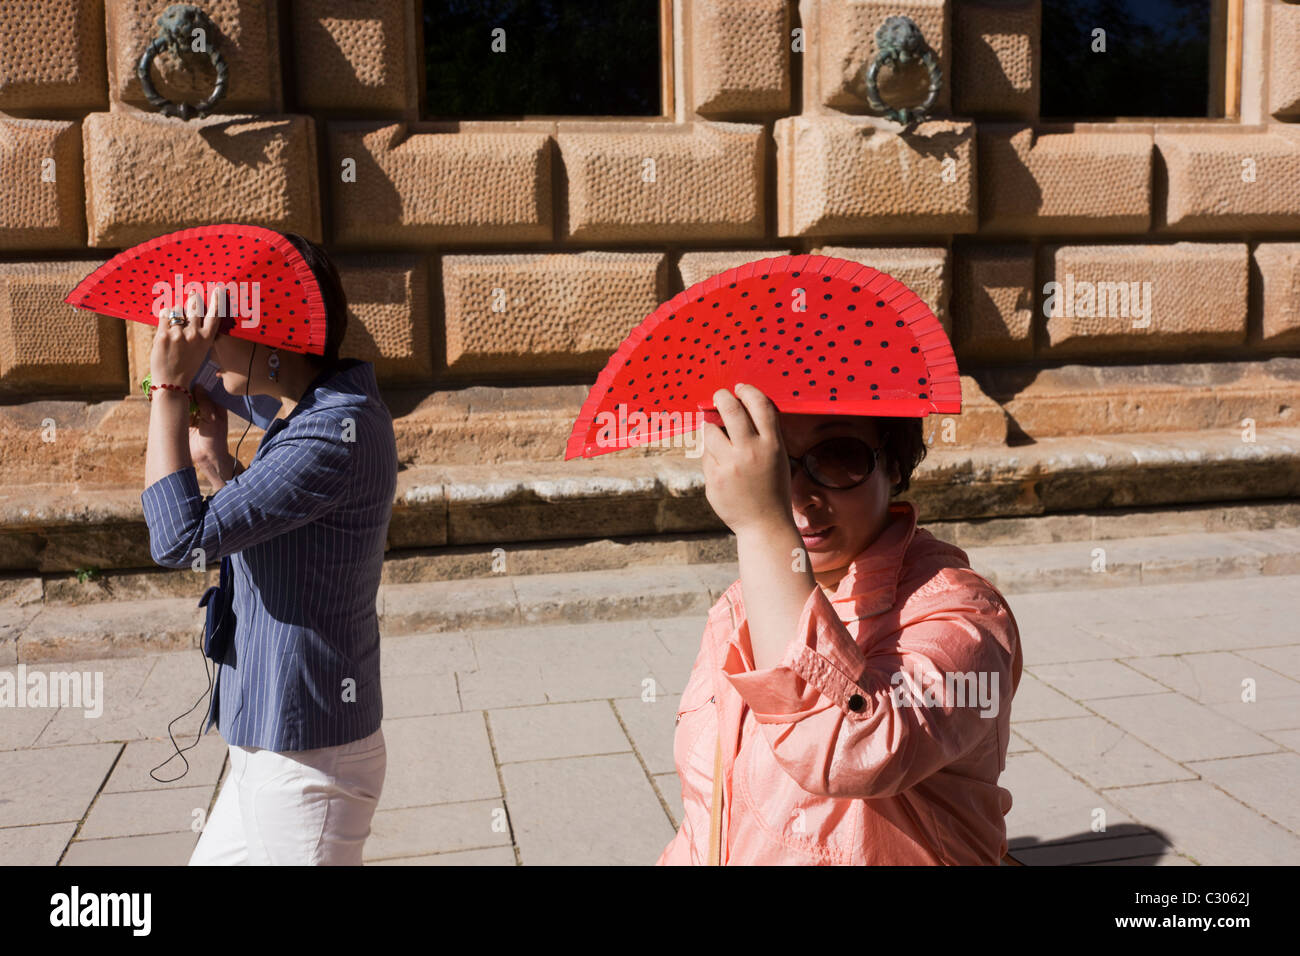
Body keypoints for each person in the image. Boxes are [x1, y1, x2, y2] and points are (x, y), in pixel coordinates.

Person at [657, 383, 1023, 865]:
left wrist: (764, 528)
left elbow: (848, 750)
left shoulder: (966, 615)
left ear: (893, 461)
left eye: (837, 458)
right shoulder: (742, 604)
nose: (798, 496)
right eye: (772, 461)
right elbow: (711, 813)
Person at [140, 232, 398, 865]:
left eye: (214, 328)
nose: (203, 346)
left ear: (271, 335)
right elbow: (286, 537)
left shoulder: (330, 434)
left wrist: (168, 393)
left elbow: (178, 539)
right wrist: (217, 469)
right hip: (275, 740)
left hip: (310, 762)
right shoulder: (314, 413)